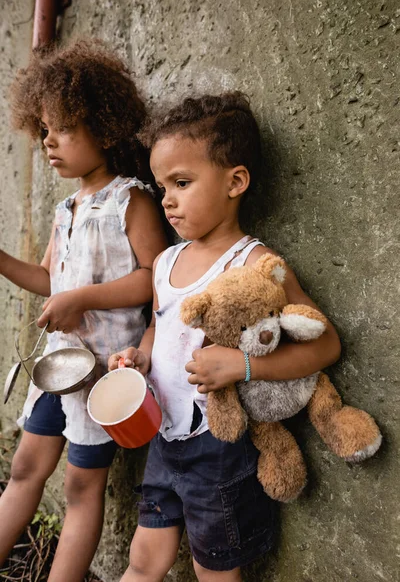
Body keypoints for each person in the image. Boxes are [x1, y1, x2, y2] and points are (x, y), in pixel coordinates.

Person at [109, 91, 342, 582]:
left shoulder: (255, 265)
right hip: (163, 434)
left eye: (182, 182)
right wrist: (139, 359)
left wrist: (244, 365)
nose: (167, 199)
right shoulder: (167, 261)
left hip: (218, 446)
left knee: (214, 570)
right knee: (143, 560)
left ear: (235, 181)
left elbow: (325, 345)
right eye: (161, 186)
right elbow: (158, 327)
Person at [0, 39, 167, 581]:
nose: (49, 140)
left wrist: (83, 299)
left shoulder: (132, 200)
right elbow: (51, 279)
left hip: (103, 375)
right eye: (43, 129)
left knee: (79, 486)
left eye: (63, 127)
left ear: (105, 125)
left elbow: (154, 279)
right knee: (25, 468)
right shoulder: (64, 208)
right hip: (58, 366)